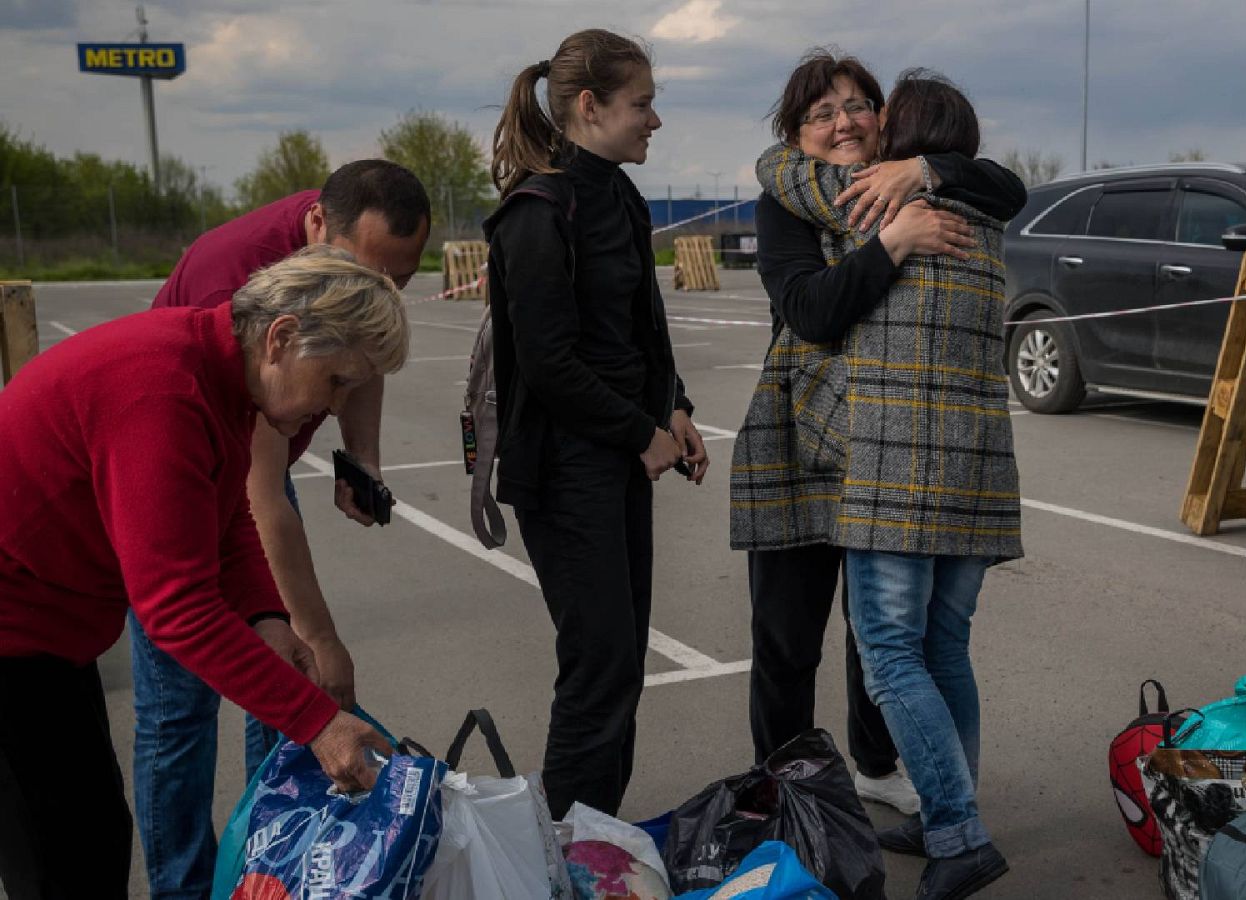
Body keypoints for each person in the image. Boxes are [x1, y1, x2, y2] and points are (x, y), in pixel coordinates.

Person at [0, 247, 405, 899]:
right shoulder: (163, 390)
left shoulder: (223, 377)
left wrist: (267, 618)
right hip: (14, 632)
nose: (336, 407)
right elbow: (175, 608)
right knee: (60, 860)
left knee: (95, 834)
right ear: (282, 337)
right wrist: (317, 722)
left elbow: (227, 517)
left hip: (52, 632)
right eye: (336, 381)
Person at [729, 48, 1026, 817]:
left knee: (878, 631)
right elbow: (813, 310)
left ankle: (874, 761)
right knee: (788, 637)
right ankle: (783, 782)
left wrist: (921, 170)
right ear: (795, 134)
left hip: (884, 445)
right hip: (803, 439)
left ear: (883, 119)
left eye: (856, 105)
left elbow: (1007, 186)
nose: (842, 122)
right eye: (820, 114)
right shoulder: (787, 202)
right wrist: (891, 243)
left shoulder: (918, 184)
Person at [133, 159, 429, 900]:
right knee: (182, 708)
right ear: (318, 228)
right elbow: (254, 500)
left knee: (283, 664)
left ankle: (271, 859)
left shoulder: (344, 268)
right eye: (375, 273)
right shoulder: (235, 290)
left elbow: (365, 342)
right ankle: (188, 887)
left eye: (402, 281)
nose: (387, 289)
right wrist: (319, 644)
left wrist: (361, 457)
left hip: (236, 475)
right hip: (175, 478)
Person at [483, 28, 706, 820]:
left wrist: (673, 406)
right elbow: (549, 363)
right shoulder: (537, 211)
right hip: (566, 468)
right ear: (589, 106)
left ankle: (598, 837)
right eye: (641, 104)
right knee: (598, 665)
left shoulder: (616, 192)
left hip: (615, 460)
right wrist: (639, 433)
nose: (653, 120)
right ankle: (564, 856)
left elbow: (640, 330)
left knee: (620, 665)